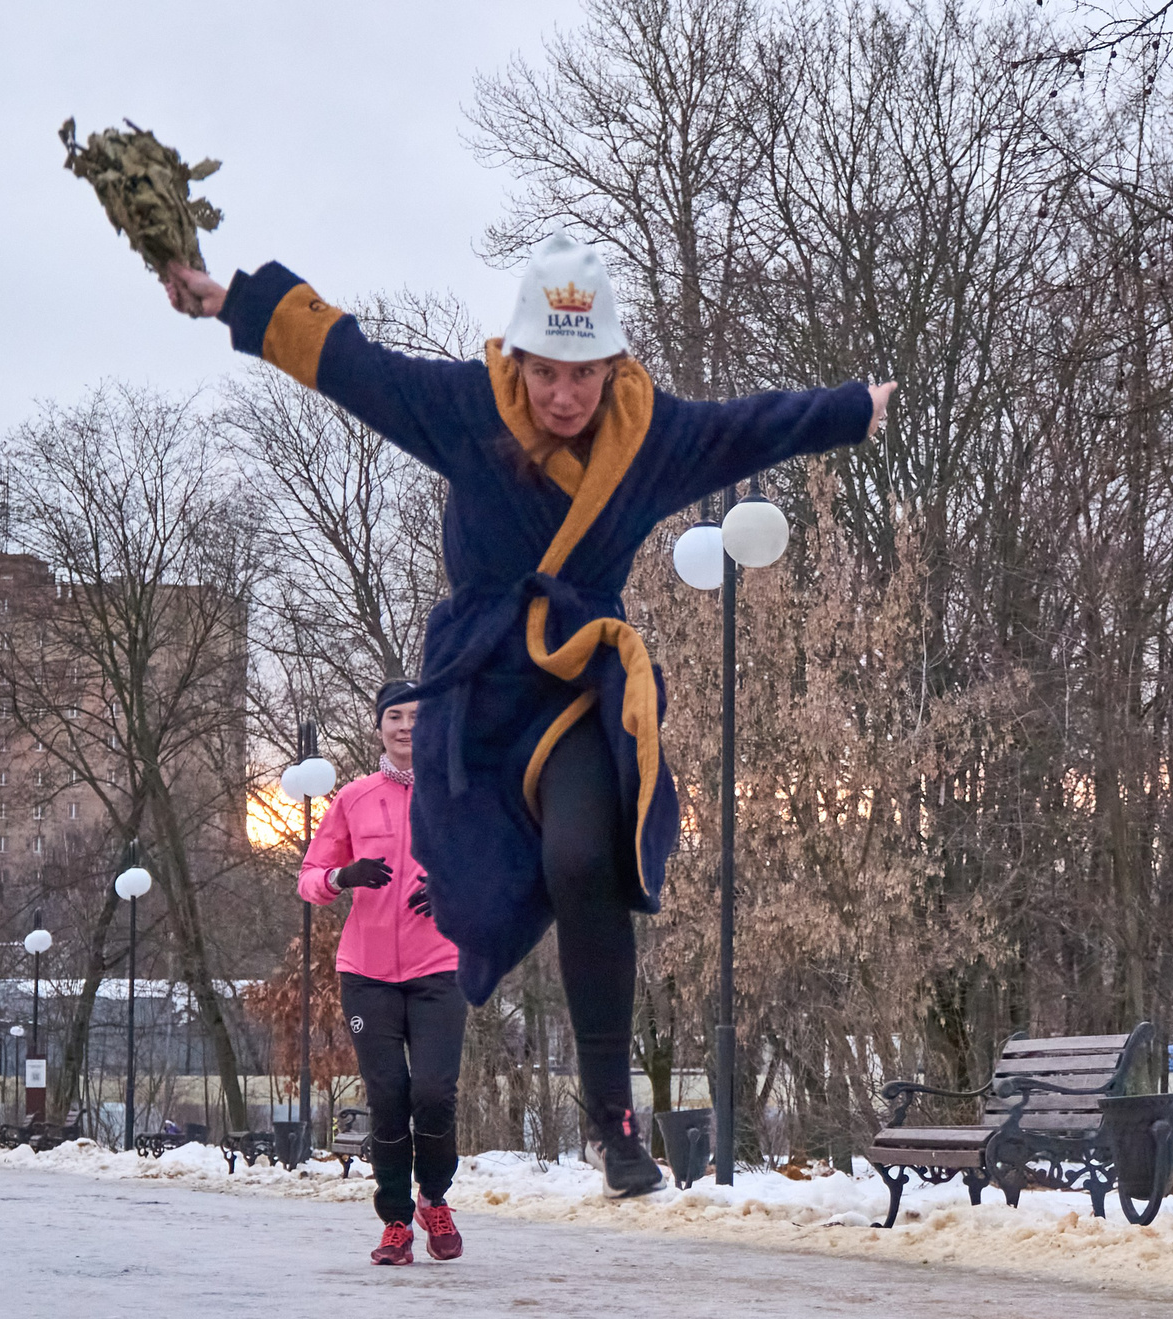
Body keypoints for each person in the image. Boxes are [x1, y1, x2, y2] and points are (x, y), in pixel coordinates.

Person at [166, 234, 892, 1201]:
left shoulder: (646, 434)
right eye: (546, 374)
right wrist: (231, 303)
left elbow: (744, 428)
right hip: (483, 694)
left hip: (579, 684)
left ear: (612, 366)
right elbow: (354, 365)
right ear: (517, 361)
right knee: (488, 874)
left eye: (583, 376)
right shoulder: (469, 411)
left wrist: (852, 408)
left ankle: (610, 1114)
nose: (563, 397)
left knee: (588, 859)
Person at [300, 682, 468, 1265]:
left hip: (440, 967)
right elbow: (310, 878)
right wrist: (343, 877)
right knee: (390, 1096)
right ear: (379, 727)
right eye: (394, 716)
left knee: (434, 1092)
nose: (405, 727)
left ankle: (435, 1199)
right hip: (366, 973)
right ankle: (395, 1221)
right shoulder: (353, 797)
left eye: (417, 717)